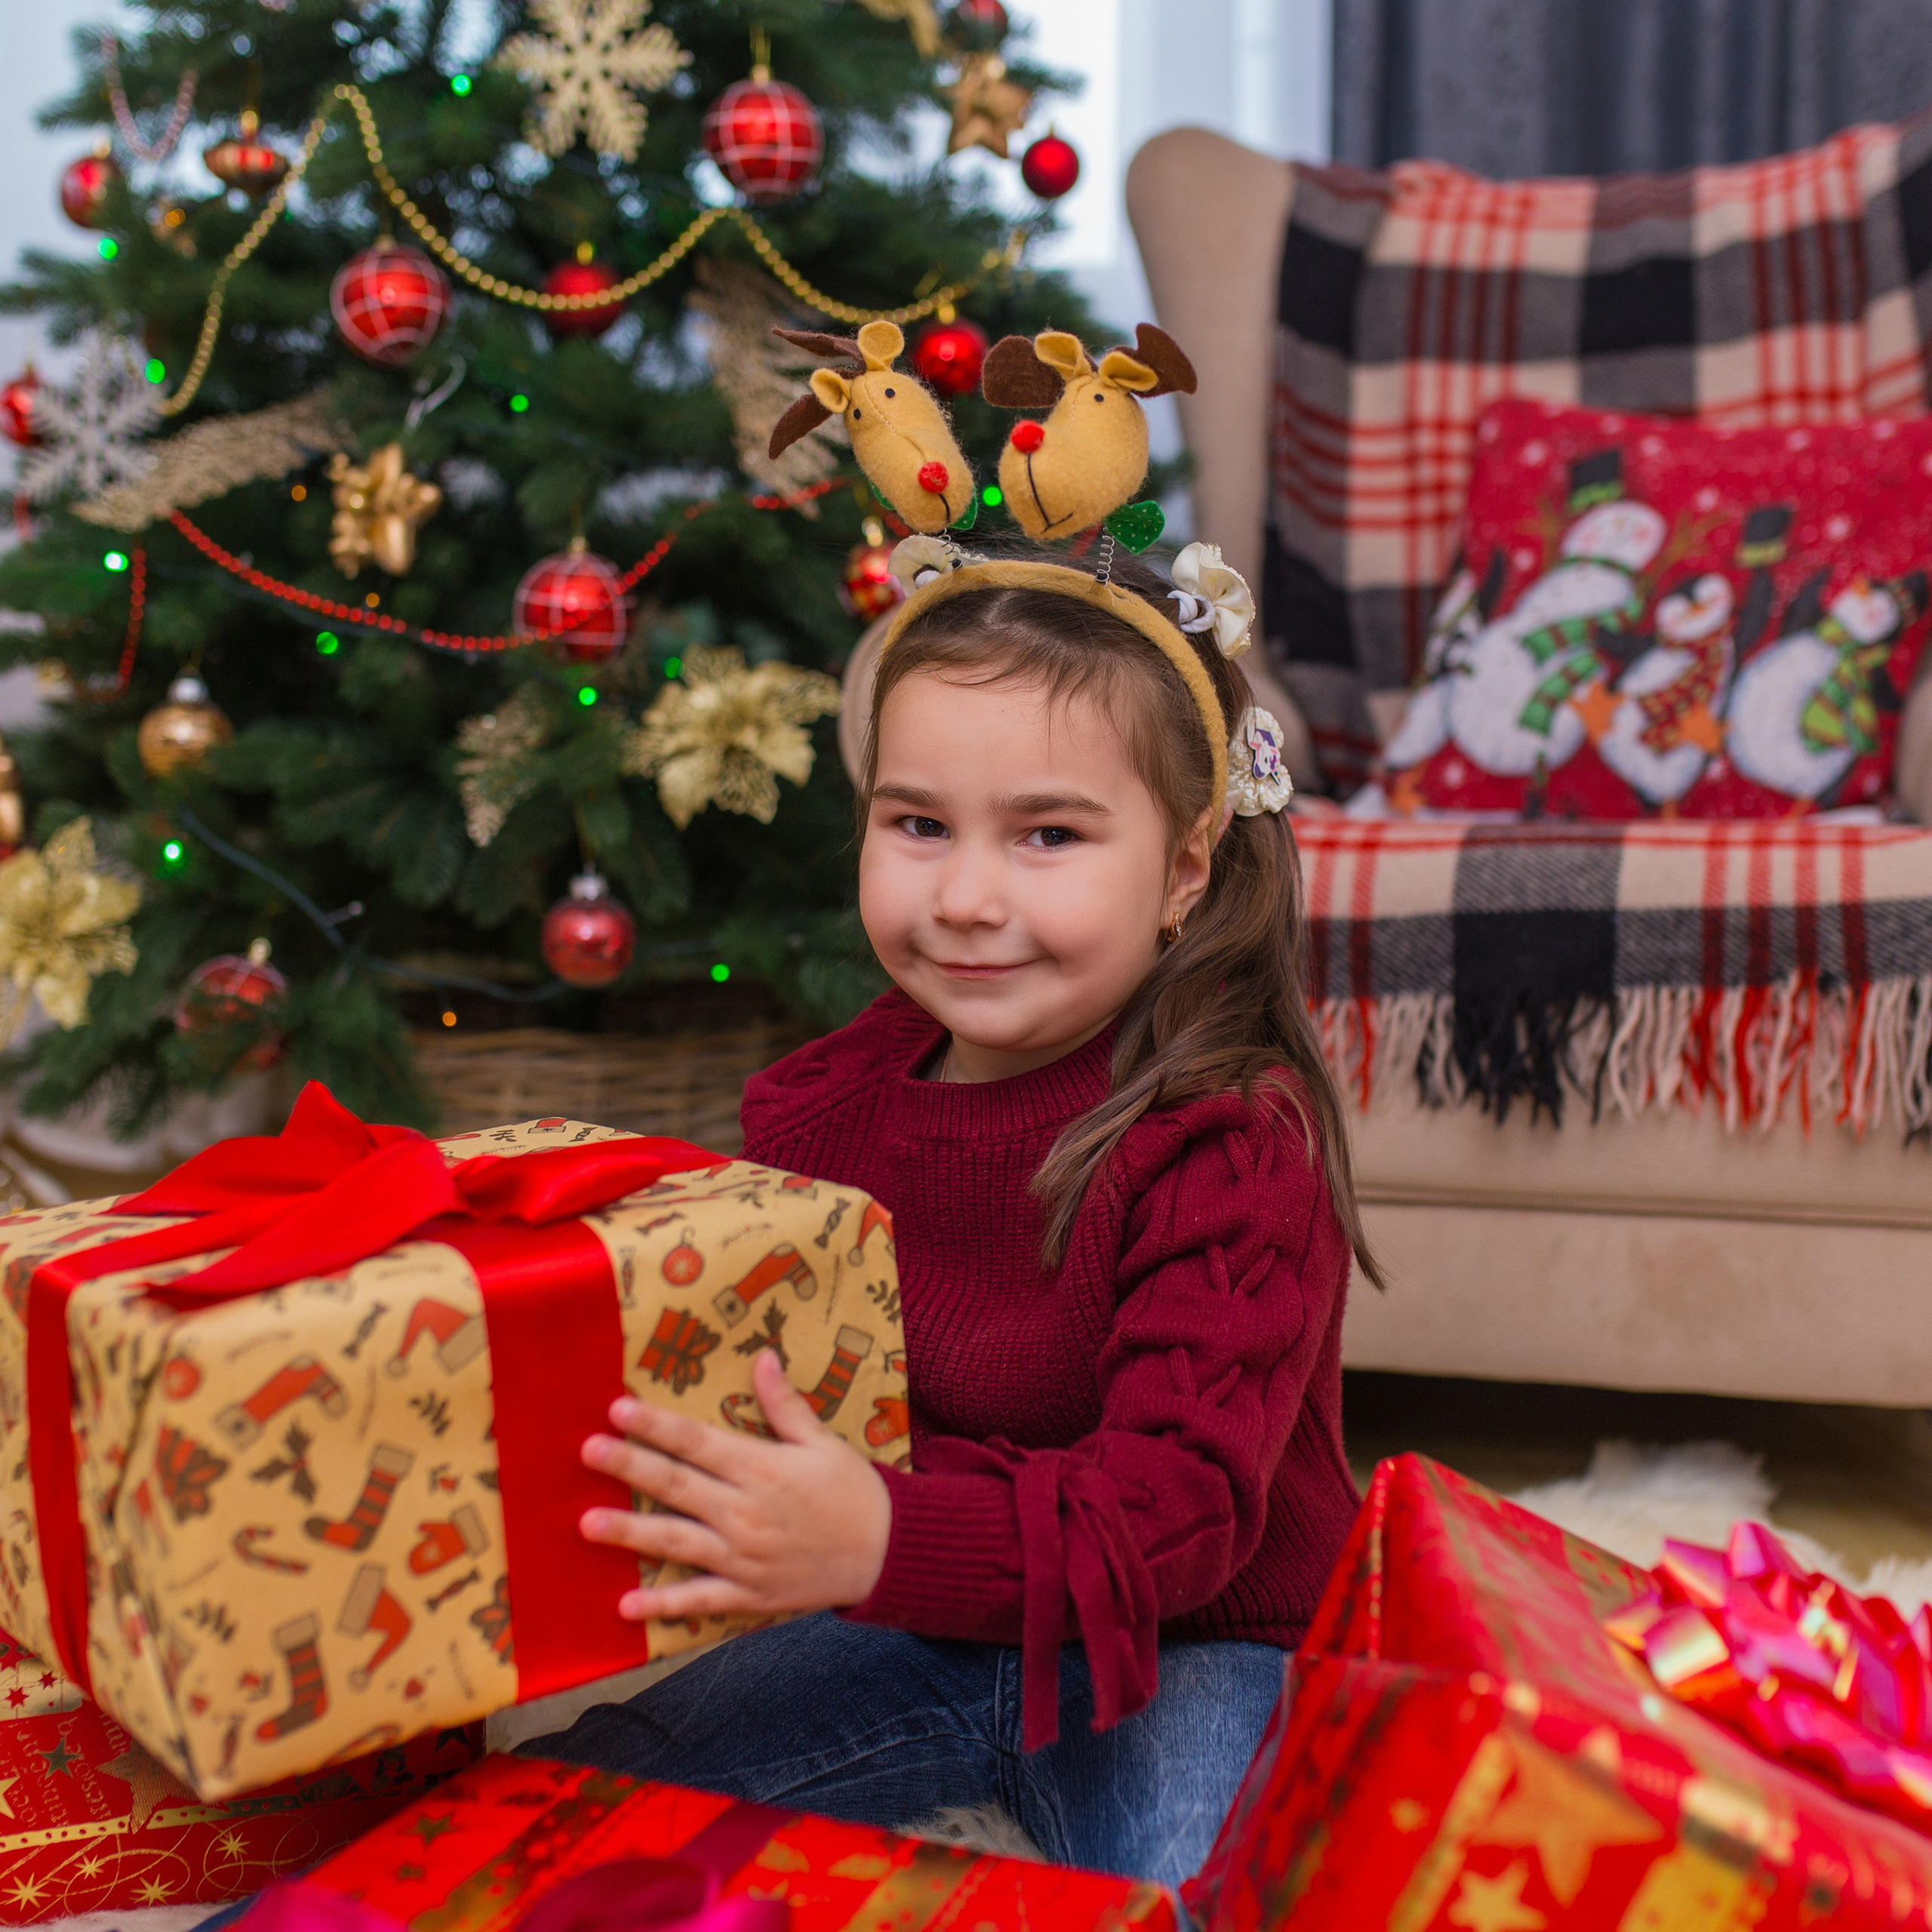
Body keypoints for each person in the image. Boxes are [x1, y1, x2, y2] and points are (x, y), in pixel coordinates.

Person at [522, 327, 1382, 1891]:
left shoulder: (1229, 1142)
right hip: (917, 1610)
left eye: (1048, 836)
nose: (967, 897)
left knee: (1218, 1884)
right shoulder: (820, 1107)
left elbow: (1174, 1516)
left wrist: (874, 1535)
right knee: (576, 1800)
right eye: (918, 824)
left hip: (1194, 1636)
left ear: (1185, 868)